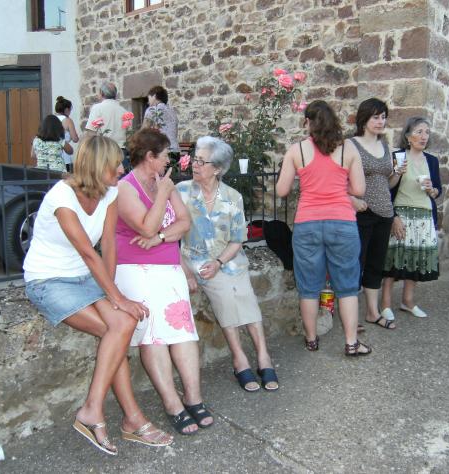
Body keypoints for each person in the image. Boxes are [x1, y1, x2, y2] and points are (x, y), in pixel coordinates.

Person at [24, 135, 172, 455]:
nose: (121, 170)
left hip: (84, 278)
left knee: (122, 325)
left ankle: (111, 415)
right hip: (48, 281)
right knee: (114, 331)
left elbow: (107, 246)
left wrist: (113, 292)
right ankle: (117, 416)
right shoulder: (62, 196)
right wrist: (117, 299)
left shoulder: (110, 193)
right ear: (96, 165)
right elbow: (88, 253)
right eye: (115, 164)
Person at [114, 128, 213, 435]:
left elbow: (184, 222)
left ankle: (193, 398)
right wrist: (161, 197)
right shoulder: (125, 188)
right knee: (154, 336)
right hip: (136, 269)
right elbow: (145, 226)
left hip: (168, 267)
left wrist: (159, 238)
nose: (169, 159)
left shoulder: (164, 183)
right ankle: (173, 404)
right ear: (149, 156)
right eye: (165, 154)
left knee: (183, 332)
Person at [177, 136, 279, 392]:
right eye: (195, 159)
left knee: (244, 293)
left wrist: (220, 261)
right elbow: (170, 236)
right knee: (225, 293)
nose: (195, 164)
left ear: (218, 168)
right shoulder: (181, 192)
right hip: (195, 260)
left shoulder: (233, 197)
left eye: (201, 161)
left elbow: (237, 240)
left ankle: (263, 356)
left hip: (228, 259)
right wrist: (186, 269)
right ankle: (239, 358)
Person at [277, 100, 371, 356]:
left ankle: (311, 339)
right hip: (342, 222)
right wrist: (339, 186)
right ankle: (351, 343)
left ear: (307, 122)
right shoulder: (348, 148)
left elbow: (282, 190)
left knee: (309, 286)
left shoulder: (296, 150)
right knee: (347, 286)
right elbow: (359, 189)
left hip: (307, 223)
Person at [348, 98, 403, 330]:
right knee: (355, 264)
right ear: (364, 119)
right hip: (362, 212)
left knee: (375, 265)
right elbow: (339, 177)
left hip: (384, 213)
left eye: (383, 117)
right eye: (376, 117)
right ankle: (350, 318)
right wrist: (351, 199)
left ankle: (372, 313)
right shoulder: (351, 144)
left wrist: (398, 173)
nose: (381, 121)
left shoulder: (386, 146)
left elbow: (387, 184)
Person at [380, 117, 441, 319]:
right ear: (408, 136)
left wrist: (432, 190)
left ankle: (407, 301)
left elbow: (437, 191)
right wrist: (393, 216)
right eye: (419, 132)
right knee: (393, 260)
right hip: (402, 215)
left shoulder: (431, 161)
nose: (424, 136)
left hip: (424, 215)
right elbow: (388, 188)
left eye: (427, 132)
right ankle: (385, 304)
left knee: (415, 261)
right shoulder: (398, 156)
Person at [85, 82, 129, 149]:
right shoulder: (124, 111)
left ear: (101, 93)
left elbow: (91, 132)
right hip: (120, 150)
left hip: (104, 149)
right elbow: (128, 134)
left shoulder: (97, 108)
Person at [142, 86, 180, 159]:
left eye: (149, 98)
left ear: (154, 96)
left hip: (161, 151)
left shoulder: (152, 109)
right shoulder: (172, 111)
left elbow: (144, 131)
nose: (148, 101)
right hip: (175, 151)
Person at [55, 96, 80, 173]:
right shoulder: (68, 120)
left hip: (53, 155)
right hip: (65, 155)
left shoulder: (51, 119)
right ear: (66, 110)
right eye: (70, 110)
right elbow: (75, 139)